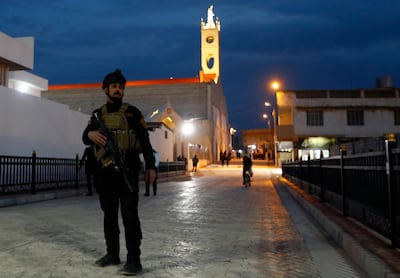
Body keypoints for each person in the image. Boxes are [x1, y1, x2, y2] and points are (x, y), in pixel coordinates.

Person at [82, 69, 156, 276]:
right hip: (105, 173)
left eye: (121, 87)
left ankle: (134, 260)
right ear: (106, 89)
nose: (118, 90)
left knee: (130, 215)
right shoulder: (98, 114)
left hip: (128, 170)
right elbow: (84, 137)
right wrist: (91, 134)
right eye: (114, 87)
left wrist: (151, 166)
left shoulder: (132, 113)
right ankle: (112, 254)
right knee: (109, 214)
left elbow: (144, 140)